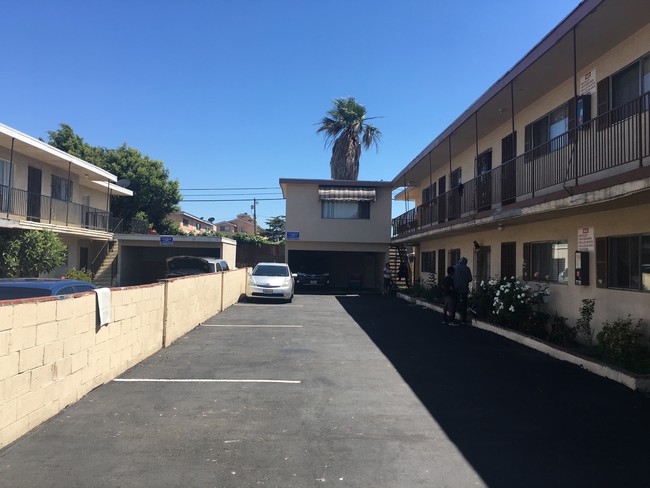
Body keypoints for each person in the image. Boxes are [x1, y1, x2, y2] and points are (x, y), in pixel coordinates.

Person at [453, 256, 473, 325]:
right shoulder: (467, 269)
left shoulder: (454, 267)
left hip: (456, 288)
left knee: (454, 303)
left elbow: (451, 277)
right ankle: (463, 320)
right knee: (464, 304)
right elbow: (470, 279)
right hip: (464, 289)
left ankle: (452, 319)